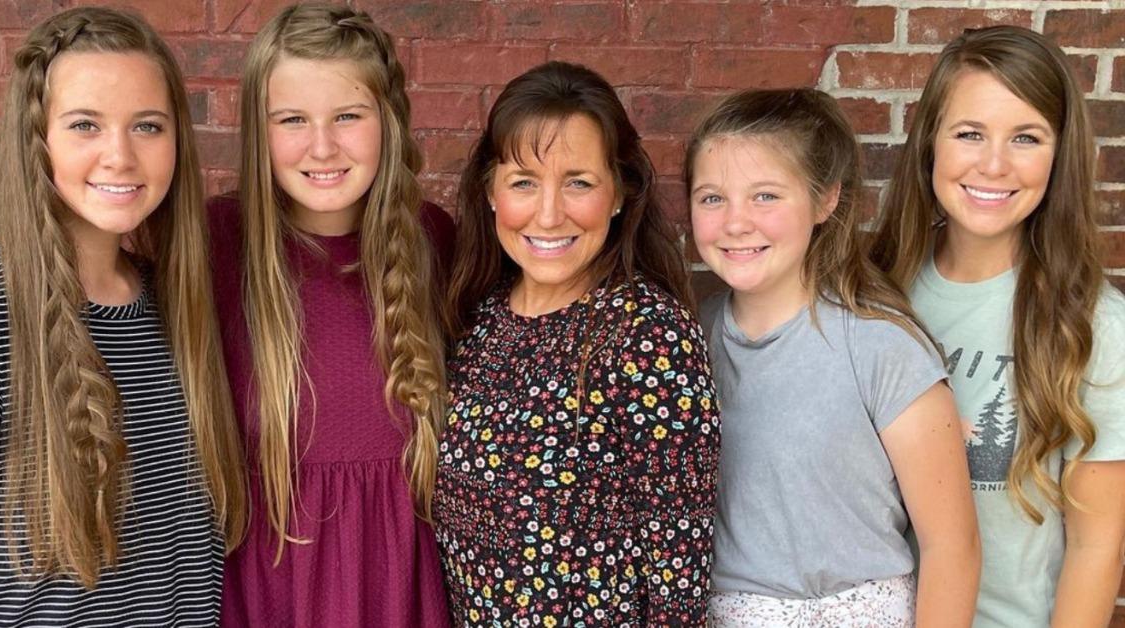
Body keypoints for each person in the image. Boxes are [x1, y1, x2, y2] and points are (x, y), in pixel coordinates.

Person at [0, 7, 247, 627]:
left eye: (147, 126)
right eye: (85, 126)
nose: (120, 156)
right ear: (36, 139)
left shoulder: (175, 304)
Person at [436, 60, 721, 626]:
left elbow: (679, 571)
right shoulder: (477, 319)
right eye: (523, 182)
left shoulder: (648, 336)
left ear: (618, 194)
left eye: (579, 183)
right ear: (490, 191)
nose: (547, 213)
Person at [688, 89, 980, 627]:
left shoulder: (882, 346)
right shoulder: (686, 340)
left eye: (766, 196)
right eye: (712, 198)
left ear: (825, 201)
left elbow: (952, 547)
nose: (735, 222)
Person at [207, 4, 453, 626]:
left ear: (389, 121)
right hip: (268, 587)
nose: (322, 146)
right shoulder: (215, 243)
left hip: (404, 586)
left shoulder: (436, 241)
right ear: (259, 131)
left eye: (348, 115)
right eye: (292, 119)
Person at [871, 25, 1125, 628]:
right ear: (931, 140)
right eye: (969, 133)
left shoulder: (1094, 325)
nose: (993, 164)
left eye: (1027, 138)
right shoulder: (875, 293)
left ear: (1060, 154)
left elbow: (1097, 548)